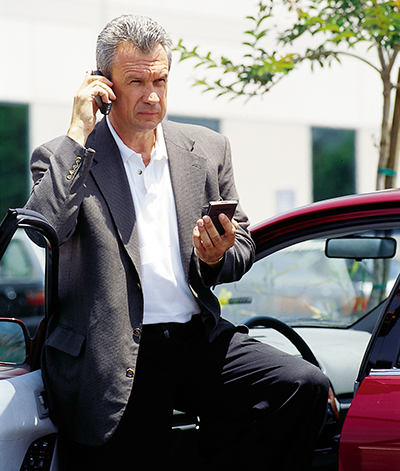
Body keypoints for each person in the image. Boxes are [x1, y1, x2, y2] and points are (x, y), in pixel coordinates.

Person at [26, 14, 329, 471]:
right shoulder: (63, 154)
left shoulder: (207, 149)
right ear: (101, 85)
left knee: (299, 385)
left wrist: (215, 256)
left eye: (161, 80)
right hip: (110, 349)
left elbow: (242, 244)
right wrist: (78, 133)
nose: (152, 95)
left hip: (195, 340)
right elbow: (43, 229)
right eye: (136, 82)